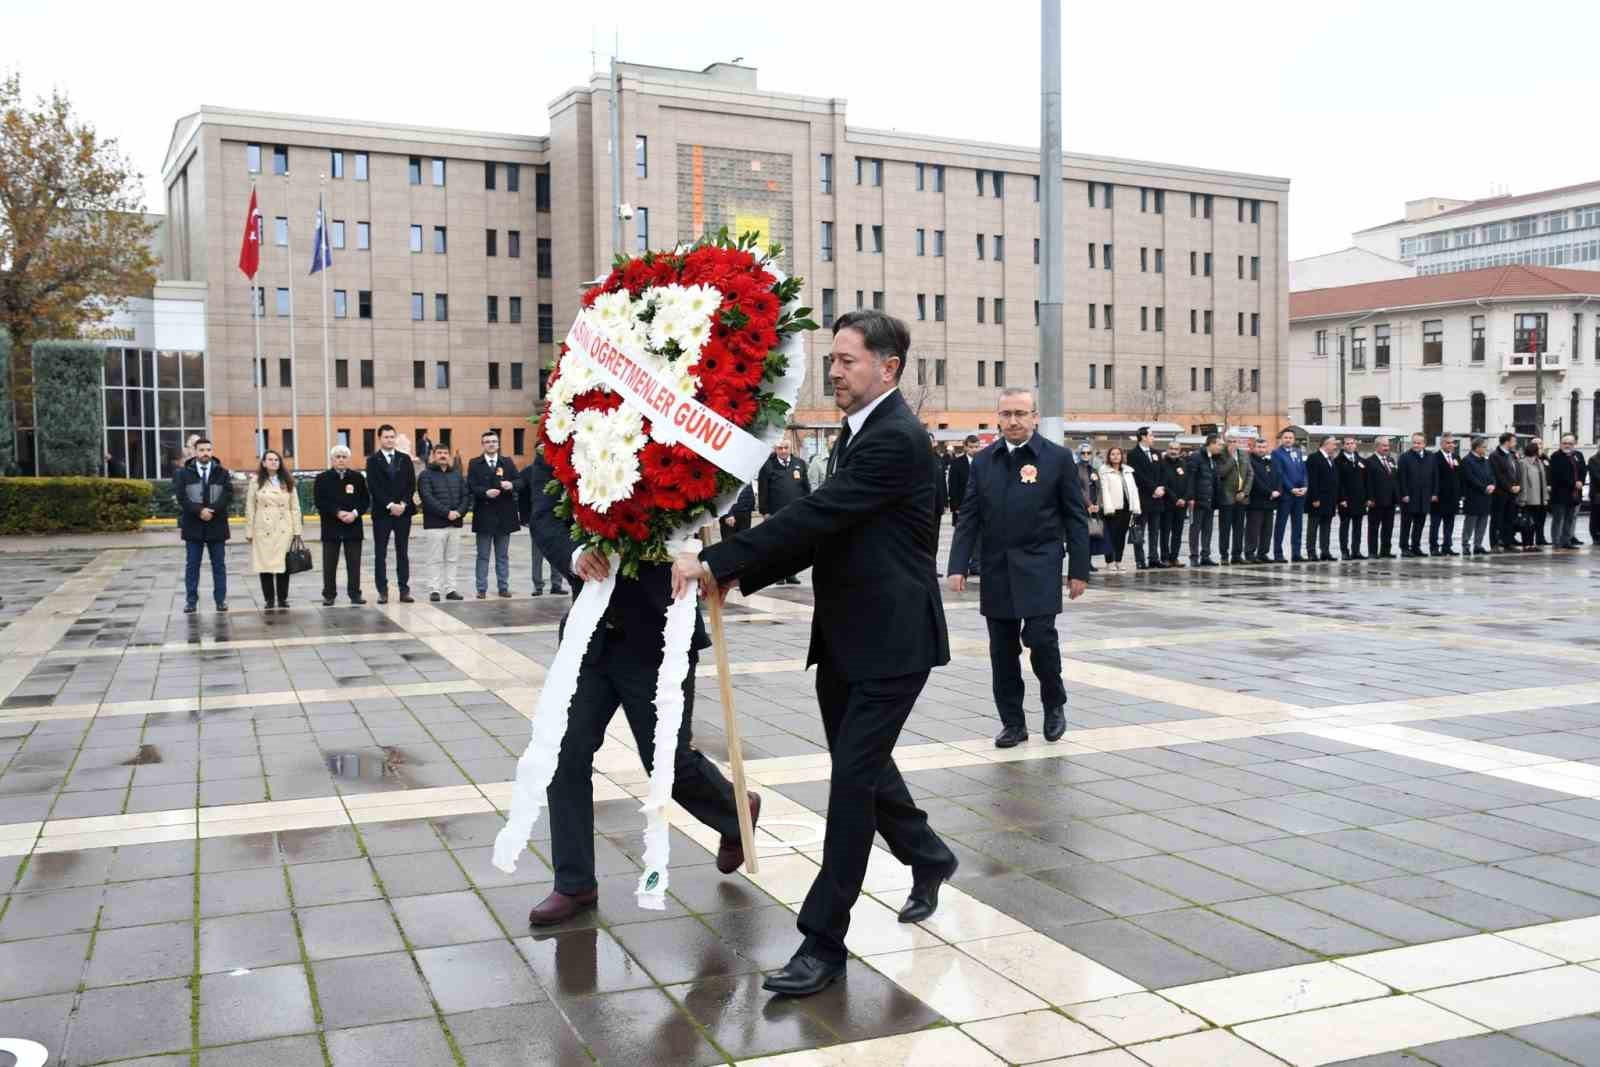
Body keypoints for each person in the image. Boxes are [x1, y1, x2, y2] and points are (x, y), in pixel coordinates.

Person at [672, 310, 959, 998]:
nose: (833, 371)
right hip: (846, 637)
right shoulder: (861, 434)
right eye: (831, 359)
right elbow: (831, 531)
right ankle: (929, 854)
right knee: (864, 769)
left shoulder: (897, 440)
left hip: (894, 641)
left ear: (887, 368)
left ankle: (823, 941)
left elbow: (819, 514)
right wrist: (742, 571)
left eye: (847, 360)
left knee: (852, 785)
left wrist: (715, 560)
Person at [525, 450, 756, 928]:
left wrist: (712, 559)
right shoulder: (570, 429)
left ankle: (737, 812)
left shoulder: (663, 425)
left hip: (657, 626)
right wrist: (573, 554)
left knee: (666, 761)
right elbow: (544, 513)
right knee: (564, 756)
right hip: (591, 631)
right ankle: (573, 883)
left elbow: (715, 487)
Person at [948, 390, 1090, 745]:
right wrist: (957, 565)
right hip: (996, 567)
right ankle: (1013, 722)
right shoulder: (983, 461)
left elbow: (1075, 518)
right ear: (997, 417)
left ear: (1035, 417)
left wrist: (1079, 570)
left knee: (1041, 640)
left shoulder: (1056, 459)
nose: (1013, 421)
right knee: (1002, 650)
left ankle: (1054, 703)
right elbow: (969, 518)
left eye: (1021, 414)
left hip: (1041, 564)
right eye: (1007, 414)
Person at [174, 437, 231, 613]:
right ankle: (191, 601)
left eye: (208, 450)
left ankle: (220, 600)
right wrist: (199, 511)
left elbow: (227, 495)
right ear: (195, 452)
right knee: (192, 566)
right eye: (202, 450)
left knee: (219, 565)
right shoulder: (183, 473)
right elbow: (182, 497)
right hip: (193, 526)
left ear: (212, 452)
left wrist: (211, 510)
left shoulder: (222, 472)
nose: (205, 453)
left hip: (217, 525)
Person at [245, 449, 302, 609]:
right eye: (269, 459)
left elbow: (295, 507)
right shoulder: (256, 481)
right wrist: (249, 531)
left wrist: (297, 530)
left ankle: (283, 598)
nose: (273, 462)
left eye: (276, 460)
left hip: (284, 527)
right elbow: (250, 507)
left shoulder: (287, 481)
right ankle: (269, 599)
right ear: (263, 463)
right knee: (265, 565)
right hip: (263, 528)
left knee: (284, 565)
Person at [365, 424, 416, 604]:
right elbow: (373, 486)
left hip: (403, 512)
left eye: (392, 437)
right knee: (381, 553)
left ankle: (404, 590)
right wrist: (389, 504)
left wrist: (402, 503)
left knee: (403, 552)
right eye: (386, 437)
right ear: (380, 439)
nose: (389, 440)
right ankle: (383, 591)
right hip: (382, 513)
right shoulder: (372, 460)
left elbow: (411, 484)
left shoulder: (405, 459)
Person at [314, 445, 368, 605]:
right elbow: (320, 501)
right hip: (331, 527)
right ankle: (329, 594)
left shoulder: (358, 478)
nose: (341, 459)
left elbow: (365, 501)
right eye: (337, 456)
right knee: (329, 564)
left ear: (348, 459)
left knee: (354, 564)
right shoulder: (322, 478)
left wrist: (354, 513)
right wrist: (337, 512)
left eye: (344, 457)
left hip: (353, 526)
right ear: (332, 459)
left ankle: (355, 594)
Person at [468, 431, 519, 598]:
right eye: (487, 441)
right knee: (483, 555)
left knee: (502, 555)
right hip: (484, 515)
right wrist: (485, 492)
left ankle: (503, 587)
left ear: (498, 444)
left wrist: (510, 484)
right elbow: (471, 486)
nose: (491, 444)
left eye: (494, 441)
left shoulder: (507, 462)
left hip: (504, 516)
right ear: (482, 444)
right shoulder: (475, 463)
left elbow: (520, 481)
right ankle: (481, 589)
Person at [757, 437, 812, 584]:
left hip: (796, 513)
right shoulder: (768, 466)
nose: (783, 451)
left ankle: (791, 574)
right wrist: (764, 511)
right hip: (775, 513)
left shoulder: (799, 464)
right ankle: (778, 575)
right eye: (780, 448)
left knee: (794, 545)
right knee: (777, 545)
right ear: (775, 449)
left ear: (790, 448)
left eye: (785, 448)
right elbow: (763, 491)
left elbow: (806, 488)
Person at [418, 444, 468, 602]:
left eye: (445, 453)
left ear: (450, 456)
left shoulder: (457, 475)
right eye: (439, 453)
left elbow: (466, 496)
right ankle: (435, 589)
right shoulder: (426, 475)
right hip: (435, 525)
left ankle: (451, 589)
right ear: (433, 455)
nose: (442, 455)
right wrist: (447, 513)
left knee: (452, 559)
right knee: (435, 559)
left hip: (455, 524)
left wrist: (459, 512)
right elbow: (427, 498)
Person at [516, 460, 566, 597]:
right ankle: (538, 586)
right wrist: (525, 518)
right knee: (537, 555)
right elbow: (522, 495)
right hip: (536, 520)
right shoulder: (529, 471)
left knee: (557, 552)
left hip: (556, 518)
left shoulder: (557, 468)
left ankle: (557, 584)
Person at [1128, 426, 1166, 568]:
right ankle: (1140, 560)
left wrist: (1161, 487)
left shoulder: (1156, 453)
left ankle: (1154, 557)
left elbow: (1162, 472)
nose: (1153, 438)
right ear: (1143, 437)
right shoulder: (1133, 454)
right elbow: (1137, 475)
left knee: (1155, 530)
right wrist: (1153, 488)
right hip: (1142, 498)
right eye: (1151, 435)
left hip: (1157, 498)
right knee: (1139, 531)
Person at [1098, 447, 1140, 572]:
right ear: (1109, 456)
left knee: (1121, 536)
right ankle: (1109, 561)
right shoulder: (1104, 470)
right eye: (1112, 454)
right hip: (1111, 508)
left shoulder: (1127, 470)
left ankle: (1119, 561)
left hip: (1126, 508)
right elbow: (1104, 490)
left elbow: (1133, 490)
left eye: (1118, 454)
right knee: (1110, 536)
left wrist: (1136, 506)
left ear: (1122, 456)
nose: (1115, 456)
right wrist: (1108, 507)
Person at [1186, 434, 1224, 566]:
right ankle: (1194, 556)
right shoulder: (1196, 457)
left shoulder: (1214, 458)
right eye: (1219, 444)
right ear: (1211, 444)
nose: (1221, 447)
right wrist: (1190, 497)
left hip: (1210, 499)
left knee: (1208, 529)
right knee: (1195, 529)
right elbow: (1190, 479)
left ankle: (1205, 556)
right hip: (1197, 500)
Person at [1270, 428, 1308, 563]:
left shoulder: (1297, 452)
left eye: (1290, 438)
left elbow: (1303, 471)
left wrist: (1305, 486)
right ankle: (1278, 554)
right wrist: (1291, 489)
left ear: (1294, 439)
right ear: (1281, 439)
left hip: (1299, 495)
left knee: (1298, 525)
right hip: (1286, 495)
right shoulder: (1276, 453)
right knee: (1280, 525)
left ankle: (1296, 553)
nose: (1288, 440)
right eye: (1286, 437)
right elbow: (1280, 474)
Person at [1397, 433, 1437, 557]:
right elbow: (1401, 478)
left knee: (1420, 524)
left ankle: (1416, 547)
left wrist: (1434, 493)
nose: (1416, 445)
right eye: (1414, 442)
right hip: (1409, 497)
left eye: (1419, 443)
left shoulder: (1431, 456)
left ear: (1424, 444)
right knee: (1406, 524)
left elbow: (1435, 476)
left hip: (1424, 496)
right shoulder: (1405, 457)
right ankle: (1404, 547)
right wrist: (1404, 494)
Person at [947, 435, 982, 575]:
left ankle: (976, 564)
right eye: (972, 447)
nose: (974, 450)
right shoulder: (957, 463)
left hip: (980, 506)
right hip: (962, 506)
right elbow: (953, 486)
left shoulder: (983, 461)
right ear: (965, 447)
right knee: (963, 537)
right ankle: (960, 566)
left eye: (976, 446)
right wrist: (955, 506)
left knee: (979, 538)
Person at [1245, 436, 1281, 563]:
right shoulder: (1250, 461)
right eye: (1259, 447)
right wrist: (1270, 492)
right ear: (1254, 448)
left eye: (1264, 447)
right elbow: (1255, 481)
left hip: (1270, 502)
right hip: (1256, 501)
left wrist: (1277, 491)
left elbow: (1278, 477)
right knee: (1253, 530)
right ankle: (1250, 553)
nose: (1261, 449)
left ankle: (1263, 553)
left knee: (1267, 530)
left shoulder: (1270, 461)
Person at [1548, 434, 1585, 549]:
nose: (1567, 445)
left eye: (1570, 443)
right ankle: (1556, 541)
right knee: (1558, 519)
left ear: (1574, 444)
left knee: (1570, 518)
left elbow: (1583, 469)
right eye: (1564, 443)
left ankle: (1567, 541)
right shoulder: (1555, 456)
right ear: (1560, 444)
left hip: (1574, 493)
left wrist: (1581, 481)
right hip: (1560, 492)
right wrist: (1574, 483)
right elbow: (1558, 475)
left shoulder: (1578, 455)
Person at [1364, 437, 1399, 559]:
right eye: (1384, 446)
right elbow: (1368, 482)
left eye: (1387, 446)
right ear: (1377, 446)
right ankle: (1372, 552)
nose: (1386, 448)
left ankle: (1385, 550)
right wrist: (1369, 498)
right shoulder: (1369, 461)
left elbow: (1394, 479)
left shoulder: (1391, 460)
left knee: (1388, 527)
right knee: (1374, 527)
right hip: (1376, 501)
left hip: (1390, 500)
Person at [1306, 435, 1340, 561]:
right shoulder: (1314, 458)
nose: (1335, 447)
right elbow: (1312, 480)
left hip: (1329, 500)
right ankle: (1311, 552)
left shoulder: (1330, 459)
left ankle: (1325, 551)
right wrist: (1314, 498)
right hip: (1318, 500)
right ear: (1325, 444)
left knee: (1326, 527)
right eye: (1333, 444)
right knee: (1313, 527)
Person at [1336, 435, 1369, 561]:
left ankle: (1356, 550)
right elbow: (1338, 482)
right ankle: (1345, 551)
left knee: (1358, 527)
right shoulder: (1338, 461)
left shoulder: (1361, 461)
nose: (1350, 445)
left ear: (1356, 445)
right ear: (1343, 446)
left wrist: (1367, 498)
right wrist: (1341, 499)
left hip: (1359, 499)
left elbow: (1366, 481)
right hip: (1346, 500)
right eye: (1347, 443)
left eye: (1352, 443)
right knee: (1344, 526)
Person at [1220, 437, 1253, 564]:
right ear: (1226, 443)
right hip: (1227, 496)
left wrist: (1245, 492)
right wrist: (1231, 459)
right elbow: (1221, 473)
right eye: (1230, 441)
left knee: (1239, 528)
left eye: (1235, 442)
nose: (1233, 444)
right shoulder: (1221, 455)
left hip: (1241, 496)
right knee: (1225, 528)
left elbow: (1250, 474)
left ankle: (1237, 555)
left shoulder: (1244, 454)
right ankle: (1224, 555)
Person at [1488, 432, 1523, 551]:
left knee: (1510, 518)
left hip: (1513, 493)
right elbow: (1498, 475)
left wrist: (1518, 485)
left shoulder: (1513, 455)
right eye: (1514, 441)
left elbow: (1517, 470)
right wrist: (1509, 487)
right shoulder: (1495, 455)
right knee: (1497, 519)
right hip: (1500, 493)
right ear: (1507, 442)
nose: (1515, 443)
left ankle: (1508, 542)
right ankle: (1495, 543)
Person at [1462, 436, 1495, 555]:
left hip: (1486, 497)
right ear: (1476, 447)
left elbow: (1491, 475)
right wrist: (1484, 487)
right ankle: (1466, 545)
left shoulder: (1486, 460)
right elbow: (1470, 478)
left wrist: (1492, 485)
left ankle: (1478, 545)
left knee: (1483, 522)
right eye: (1484, 447)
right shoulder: (1467, 460)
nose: (1486, 449)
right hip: (1473, 496)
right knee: (1470, 523)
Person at [1431, 434, 1463, 556]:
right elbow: (1433, 477)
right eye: (1448, 443)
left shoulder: (1456, 457)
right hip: (1439, 497)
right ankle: (1434, 547)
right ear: (1442, 444)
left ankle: (1447, 546)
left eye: (1452, 443)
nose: (1451, 445)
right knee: (1436, 524)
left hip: (1453, 497)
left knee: (1449, 524)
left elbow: (1459, 476)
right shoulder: (1435, 458)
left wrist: (1460, 494)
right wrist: (1434, 493)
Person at [1159, 442, 1188, 566]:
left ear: (1180, 451)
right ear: (1167, 449)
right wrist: (1175, 498)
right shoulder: (1162, 464)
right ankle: (1165, 558)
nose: (1173, 451)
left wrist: (1184, 498)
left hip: (1181, 505)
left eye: (1176, 449)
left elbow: (1189, 482)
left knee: (1178, 533)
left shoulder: (1183, 463)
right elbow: (1163, 484)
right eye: (1171, 448)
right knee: (1165, 532)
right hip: (1167, 504)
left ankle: (1174, 557)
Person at [1077, 442, 1102, 572]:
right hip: (1082, 507)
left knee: (1092, 535)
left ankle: (1089, 562)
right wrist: (1089, 504)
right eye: (1083, 452)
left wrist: (1097, 504)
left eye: (1088, 453)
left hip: (1094, 507)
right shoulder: (1075, 468)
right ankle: (1082, 563)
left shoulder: (1094, 469)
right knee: (1082, 537)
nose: (1086, 455)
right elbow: (1078, 489)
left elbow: (1098, 488)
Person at [1519, 440, 1548, 552]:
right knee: (1527, 523)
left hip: (1539, 498)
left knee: (1536, 522)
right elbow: (1523, 482)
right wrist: (1523, 498)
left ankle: (1532, 543)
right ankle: (1527, 544)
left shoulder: (1539, 462)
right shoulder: (1523, 462)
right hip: (1529, 498)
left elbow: (1543, 481)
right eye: (1539, 449)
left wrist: (1545, 497)